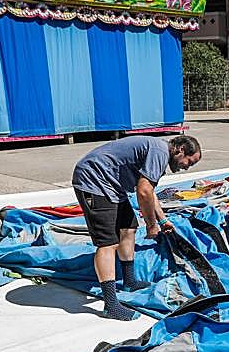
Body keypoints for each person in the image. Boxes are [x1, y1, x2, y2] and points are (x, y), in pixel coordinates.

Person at [71, 135, 202, 321]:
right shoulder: (159, 152)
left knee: (129, 228)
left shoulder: (159, 152)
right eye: (189, 161)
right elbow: (143, 192)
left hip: (112, 185)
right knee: (108, 243)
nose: (187, 167)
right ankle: (111, 305)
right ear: (180, 149)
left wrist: (163, 221)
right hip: (93, 180)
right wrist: (151, 225)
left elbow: (150, 192)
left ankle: (129, 281)